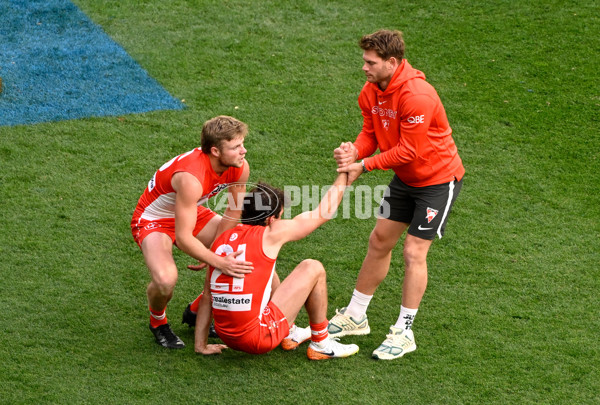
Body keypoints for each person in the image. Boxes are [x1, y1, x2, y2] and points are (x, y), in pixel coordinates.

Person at [329, 29, 465, 360]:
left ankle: (405, 331)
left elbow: (410, 151)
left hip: (437, 181)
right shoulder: (371, 91)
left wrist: (364, 166)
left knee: (413, 252)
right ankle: (356, 315)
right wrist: (354, 151)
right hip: (406, 180)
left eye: (370, 62)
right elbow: (369, 133)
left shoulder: (418, 96)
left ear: (391, 62)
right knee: (379, 241)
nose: (364, 67)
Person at [194, 172, 360, 360]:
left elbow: (207, 296)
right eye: (280, 216)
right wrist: (344, 176)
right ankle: (321, 343)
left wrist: (201, 344)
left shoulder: (223, 239)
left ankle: (288, 331)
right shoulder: (272, 233)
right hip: (256, 338)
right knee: (312, 267)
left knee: (266, 268)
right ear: (271, 219)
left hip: (226, 335)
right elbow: (323, 212)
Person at [131, 115, 254, 349]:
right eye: (236, 147)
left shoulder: (239, 167)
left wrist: (217, 251)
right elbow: (185, 238)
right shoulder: (191, 178)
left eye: (242, 144)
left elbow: (233, 211)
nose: (243, 151)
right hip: (154, 219)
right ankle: (158, 321)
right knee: (166, 280)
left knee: (245, 252)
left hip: (191, 211)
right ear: (216, 151)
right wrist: (216, 260)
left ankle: (197, 310)